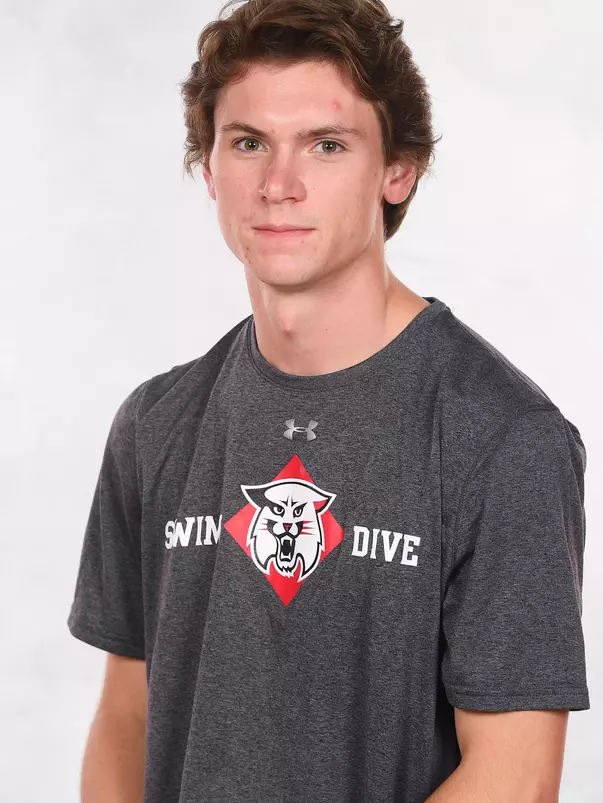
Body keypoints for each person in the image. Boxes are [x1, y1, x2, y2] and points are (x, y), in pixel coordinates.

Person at [67, 0, 590, 800]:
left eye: (326, 145)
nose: (279, 184)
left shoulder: (501, 436)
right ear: (208, 167)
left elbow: (513, 776)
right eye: (248, 143)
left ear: (397, 170)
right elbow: (126, 718)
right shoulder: (155, 423)